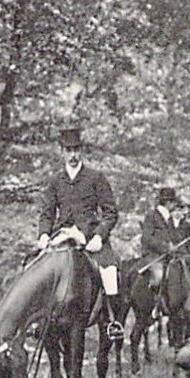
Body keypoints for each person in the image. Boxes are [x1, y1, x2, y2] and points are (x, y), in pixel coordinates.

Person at [40, 126, 125, 340]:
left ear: (81, 150)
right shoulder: (55, 181)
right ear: (61, 151)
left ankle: (113, 321)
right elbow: (47, 213)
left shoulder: (96, 178)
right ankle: (38, 319)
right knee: (35, 266)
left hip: (90, 238)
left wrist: (98, 236)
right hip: (62, 236)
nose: (73, 155)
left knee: (109, 271)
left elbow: (110, 212)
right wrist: (43, 235)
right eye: (68, 150)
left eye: (76, 149)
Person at [140, 185, 190, 259]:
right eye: (174, 202)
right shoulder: (151, 216)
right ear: (168, 202)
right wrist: (166, 247)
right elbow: (146, 238)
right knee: (159, 270)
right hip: (153, 256)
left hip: (168, 256)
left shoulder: (170, 218)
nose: (175, 205)